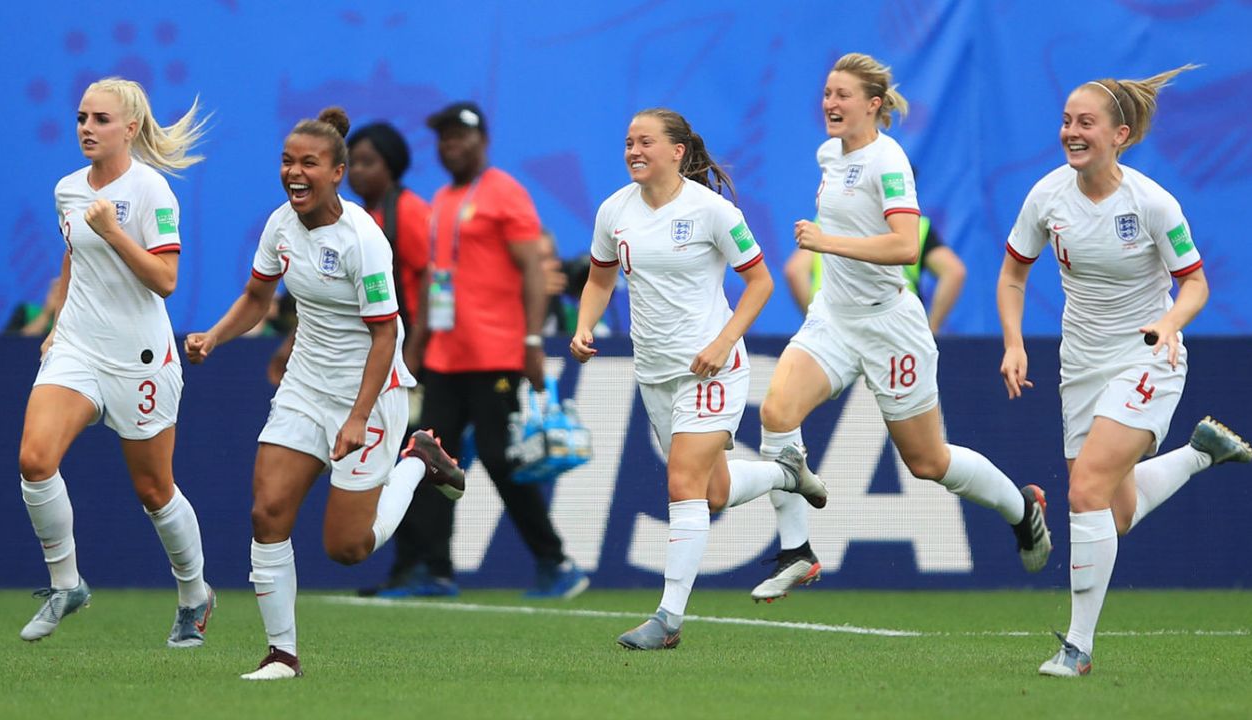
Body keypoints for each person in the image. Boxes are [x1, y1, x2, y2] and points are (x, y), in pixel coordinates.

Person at [750, 53, 1052, 604]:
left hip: (891, 326)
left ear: (873, 104)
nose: (830, 104)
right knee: (776, 413)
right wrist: (830, 250)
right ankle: (798, 553)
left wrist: (825, 242)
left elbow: (905, 246)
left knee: (928, 462)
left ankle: (1022, 508)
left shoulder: (888, 162)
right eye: (826, 93)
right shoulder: (828, 154)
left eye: (842, 95)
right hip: (835, 316)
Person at [184, 107, 465, 680]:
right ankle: (281, 654)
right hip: (305, 387)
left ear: (337, 172)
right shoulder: (280, 225)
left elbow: (386, 332)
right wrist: (214, 335)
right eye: (287, 161)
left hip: (368, 394)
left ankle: (415, 462)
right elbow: (258, 297)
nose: (294, 172)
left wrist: (360, 416)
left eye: (308, 162)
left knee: (348, 548)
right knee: (267, 512)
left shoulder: (364, 238)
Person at [997, 66, 1252, 678]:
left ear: (1121, 134)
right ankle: (1198, 453)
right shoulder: (1046, 197)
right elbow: (1012, 274)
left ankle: (1077, 649)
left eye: (1085, 123)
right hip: (1079, 365)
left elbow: (1194, 283)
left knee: (1084, 491)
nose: (1071, 132)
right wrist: (1013, 343)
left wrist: (1170, 325)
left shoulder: (1152, 202)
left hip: (1147, 357)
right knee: (1112, 512)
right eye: (1065, 121)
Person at [572, 108, 824, 650]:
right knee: (713, 492)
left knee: (682, 483)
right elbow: (598, 279)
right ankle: (785, 472)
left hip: (711, 370)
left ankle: (668, 619)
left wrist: (723, 342)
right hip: (655, 374)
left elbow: (759, 283)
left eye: (645, 142)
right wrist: (583, 326)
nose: (633, 151)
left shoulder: (713, 211)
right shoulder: (614, 210)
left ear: (677, 152)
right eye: (628, 142)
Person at [15, 77, 215, 647]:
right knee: (34, 459)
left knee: (154, 491)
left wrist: (114, 230)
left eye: (100, 120)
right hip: (78, 346)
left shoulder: (153, 192)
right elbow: (74, 256)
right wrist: (56, 326)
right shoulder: (67, 189)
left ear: (129, 128)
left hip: (141, 359)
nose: (86, 128)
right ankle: (66, 583)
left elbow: (166, 280)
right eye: (81, 117)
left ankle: (194, 593)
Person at [395, 101, 590, 599]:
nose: (449, 147)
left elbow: (533, 272)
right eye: (442, 139)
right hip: (445, 355)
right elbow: (437, 282)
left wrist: (530, 341)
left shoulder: (505, 192)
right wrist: (418, 347)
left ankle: (556, 562)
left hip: (497, 355)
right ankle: (435, 570)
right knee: (429, 460)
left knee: (504, 461)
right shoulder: (440, 200)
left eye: (459, 138)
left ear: (482, 141)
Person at [267, 121, 430, 386]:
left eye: (368, 162)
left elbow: (431, 283)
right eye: (352, 163)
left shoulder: (410, 211)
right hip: (357, 352)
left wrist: (412, 354)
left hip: (404, 347)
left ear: (391, 164)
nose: (357, 171)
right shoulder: (350, 219)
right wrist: (290, 344)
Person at [784, 210, 967, 334]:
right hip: (896, 327)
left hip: (835, 325)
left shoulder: (828, 222)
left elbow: (795, 270)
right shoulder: (917, 226)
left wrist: (815, 320)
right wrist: (930, 330)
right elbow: (954, 271)